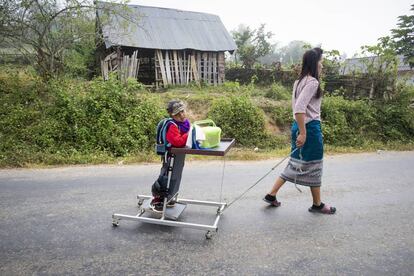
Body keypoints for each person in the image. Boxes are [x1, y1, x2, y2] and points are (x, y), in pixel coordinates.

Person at [263, 47, 336, 214]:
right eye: (321, 62)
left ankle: (271, 194)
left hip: (299, 125)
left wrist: (300, 130)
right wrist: (304, 133)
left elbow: (297, 110)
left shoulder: (298, 81)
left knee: (296, 162)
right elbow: (299, 108)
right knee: (314, 164)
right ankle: (317, 204)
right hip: (308, 128)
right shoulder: (312, 82)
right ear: (314, 63)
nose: (322, 66)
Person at [150, 100, 190, 212]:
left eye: (182, 111)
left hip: (178, 155)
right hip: (170, 156)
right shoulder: (172, 126)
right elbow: (177, 141)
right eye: (178, 114)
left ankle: (169, 197)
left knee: (175, 176)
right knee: (166, 176)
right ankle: (158, 200)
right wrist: (189, 135)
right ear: (172, 115)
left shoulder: (184, 123)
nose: (181, 115)